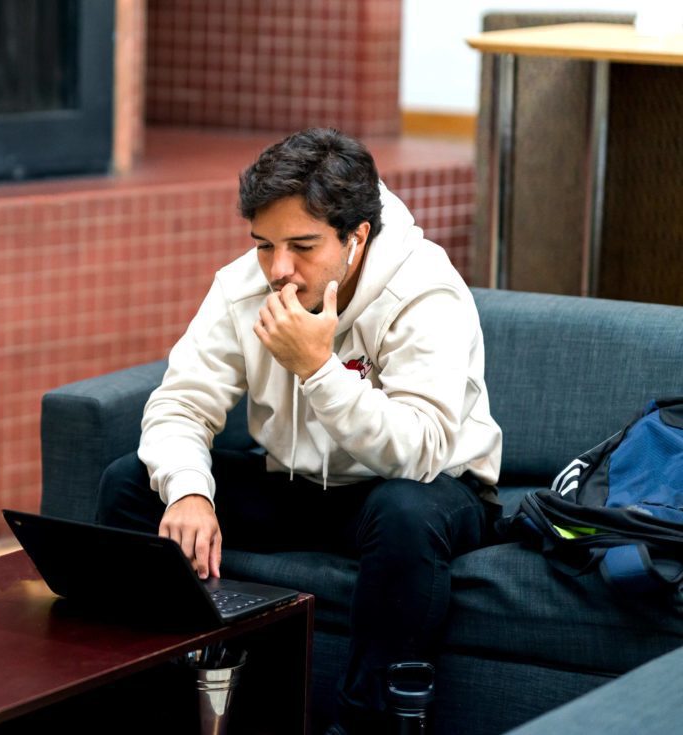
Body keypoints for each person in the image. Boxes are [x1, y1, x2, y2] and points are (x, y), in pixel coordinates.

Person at [96, 128, 502, 734]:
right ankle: (143, 698)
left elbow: (419, 450)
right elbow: (180, 403)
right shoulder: (243, 286)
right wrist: (188, 490)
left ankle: (366, 725)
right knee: (130, 483)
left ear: (356, 237)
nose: (278, 270)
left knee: (403, 514)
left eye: (302, 246)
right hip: (299, 486)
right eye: (264, 245)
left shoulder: (425, 291)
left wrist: (318, 369)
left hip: (430, 490)